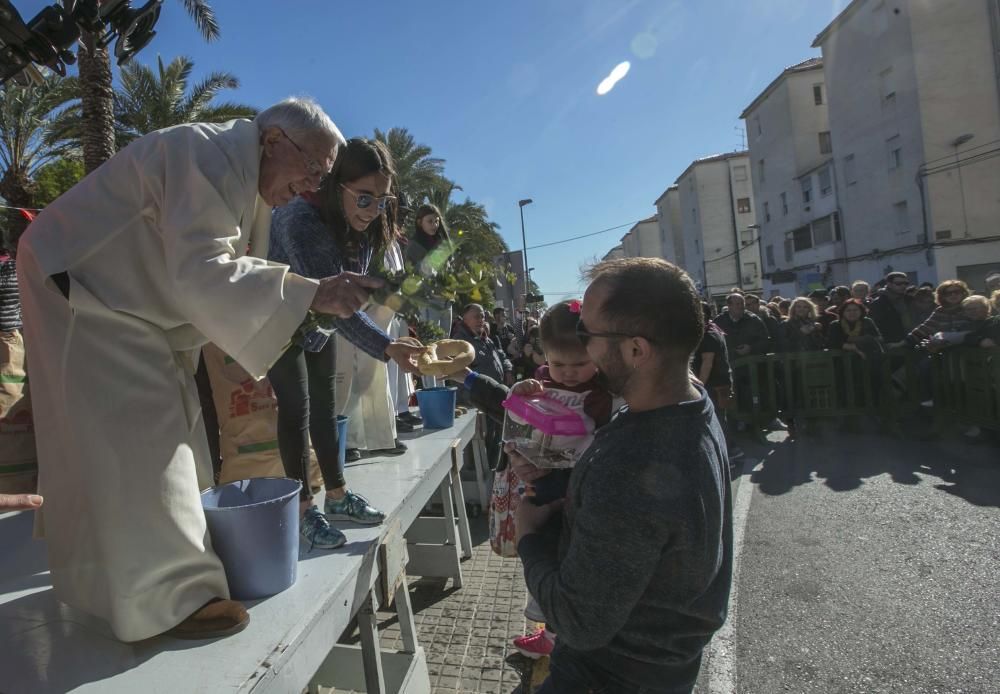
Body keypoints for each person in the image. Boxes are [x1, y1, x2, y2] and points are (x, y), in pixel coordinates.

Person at [17, 98, 388, 642]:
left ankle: (145, 579)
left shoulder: (241, 173)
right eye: (312, 168)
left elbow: (225, 269)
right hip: (85, 292)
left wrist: (310, 295)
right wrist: (311, 292)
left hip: (129, 308)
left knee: (173, 429)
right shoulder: (204, 153)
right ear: (274, 140)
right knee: (143, 434)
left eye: (322, 176)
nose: (312, 186)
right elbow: (203, 271)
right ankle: (174, 599)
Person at [512, 257, 732, 693]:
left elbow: (578, 621)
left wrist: (530, 539)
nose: (582, 348)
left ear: (636, 350)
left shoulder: (635, 462)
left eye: (586, 334)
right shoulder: (693, 405)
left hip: (607, 673)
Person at [267, 138, 423, 550]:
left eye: (382, 201)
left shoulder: (367, 223)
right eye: (364, 198)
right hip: (280, 316)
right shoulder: (299, 219)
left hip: (319, 322)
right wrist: (388, 347)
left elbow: (351, 292)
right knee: (295, 409)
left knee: (325, 405)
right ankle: (303, 510)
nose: (372, 212)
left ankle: (336, 497)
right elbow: (340, 304)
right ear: (338, 186)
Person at [693, 302, 740, 460]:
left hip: (715, 384)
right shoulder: (713, 330)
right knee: (719, 418)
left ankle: (730, 452)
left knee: (717, 420)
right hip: (720, 382)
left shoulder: (709, 335)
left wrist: (699, 385)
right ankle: (730, 451)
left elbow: (707, 362)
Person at [405, 204, 454, 336]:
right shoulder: (414, 245)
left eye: (437, 221)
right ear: (420, 222)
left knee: (445, 341)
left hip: (446, 300)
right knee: (431, 341)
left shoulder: (443, 243)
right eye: (430, 221)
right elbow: (410, 272)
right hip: (428, 301)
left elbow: (451, 267)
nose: (434, 225)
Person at [869, 272, 916, 346]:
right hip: (891, 345)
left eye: (906, 283)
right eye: (898, 283)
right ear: (889, 284)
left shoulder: (910, 300)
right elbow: (876, 327)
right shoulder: (878, 303)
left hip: (911, 343)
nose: (903, 286)